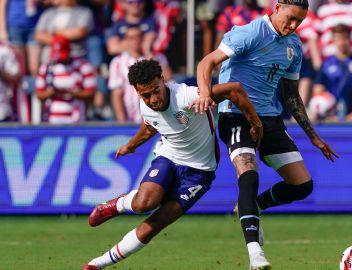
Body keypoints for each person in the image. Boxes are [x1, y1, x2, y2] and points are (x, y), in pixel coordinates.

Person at [195, 1, 338, 269]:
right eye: (291, 18)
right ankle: (255, 254)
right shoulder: (249, 33)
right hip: (235, 114)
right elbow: (207, 61)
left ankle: (253, 206)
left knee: (302, 186)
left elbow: (291, 95)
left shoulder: (294, 47)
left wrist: (313, 136)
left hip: (270, 119)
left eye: (300, 21)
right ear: (277, 7)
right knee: (249, 176)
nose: (294, 26)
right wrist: (205, 93)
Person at [82, 59, 262, 270]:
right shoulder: (145, 105)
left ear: (162, 80)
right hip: (169, 157)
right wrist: (131, 146)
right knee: (143, 204)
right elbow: (151, 127)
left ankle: (97, 264)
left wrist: (255, 122)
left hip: (200, 172)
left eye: (155, 91)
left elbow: (234, 89)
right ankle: (113, 206)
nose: (152, 99)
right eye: (145, 95)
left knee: (154, 224)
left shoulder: (186, 96)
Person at [312, 24, 352, 122]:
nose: (342, 42)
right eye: (338, 39)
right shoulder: (326, 64)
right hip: (332, 121)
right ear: (333, 40)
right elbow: (318, 91)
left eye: (345, 38)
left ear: (350, 39)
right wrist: (326, 112)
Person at [109, 26, 172, 123]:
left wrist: (147, 52)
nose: (136, 40)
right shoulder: (117, 62)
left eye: (138, 36)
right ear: (125, 40)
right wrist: (122, 122)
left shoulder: (158, 57)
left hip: (158, 118)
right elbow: (117, 93)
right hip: (131, 119)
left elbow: (168, 78)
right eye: (131, 38)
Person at [35, 35, 96, 124]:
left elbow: (91, 93)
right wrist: (51, 93)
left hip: (76, 120)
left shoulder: (83, 66)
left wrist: (73, 93)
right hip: (52, 120)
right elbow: (39, 94)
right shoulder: (46, 68)